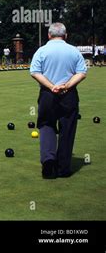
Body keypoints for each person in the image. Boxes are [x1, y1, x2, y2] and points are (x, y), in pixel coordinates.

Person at [30, 23, 87, 179]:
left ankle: (48, 163)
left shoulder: (41, 51)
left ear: (49, 35)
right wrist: (66, 85)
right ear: (65, 35)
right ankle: (63, 168)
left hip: (48, 95)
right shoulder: (74, 51)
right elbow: (81, 73)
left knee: (46, 125)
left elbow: (35, 72)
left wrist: (51, 86)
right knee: (67, 128)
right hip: (69, 95)